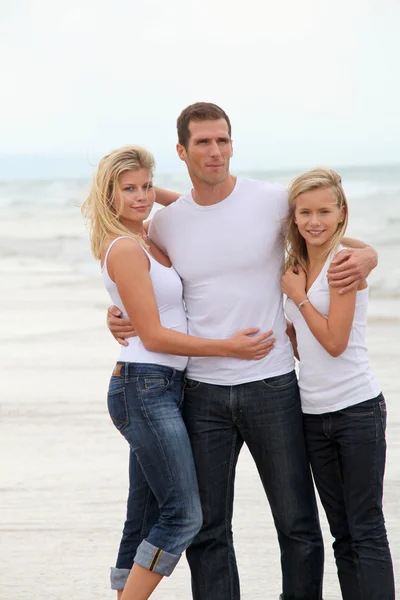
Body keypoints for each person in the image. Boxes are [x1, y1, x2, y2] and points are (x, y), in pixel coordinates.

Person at [107, 103, 378, 600]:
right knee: (208, 533)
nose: (215, 151)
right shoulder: (166, 226)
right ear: (182, 151)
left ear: (232, 144)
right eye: (204, 142)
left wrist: (368, 254)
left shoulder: (273, 202)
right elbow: (147, 281)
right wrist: (119, 316)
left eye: (223, 140)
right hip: (201, 392)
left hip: (273, 385)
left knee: (297, 525)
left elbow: (327, 233)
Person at [81, 145, 276, 600]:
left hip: (163, 386)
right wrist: (226, 347)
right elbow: (153, 335)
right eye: (127, 189)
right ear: (108, 195)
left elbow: (193, 207)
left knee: (144, 513)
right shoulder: (127, 248)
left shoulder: (147, 236)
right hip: (143, 387)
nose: (141, 196)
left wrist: (147, 192)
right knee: (184, 515)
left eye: (147, 186)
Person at [281, 168, 395, 600]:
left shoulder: (344, 263)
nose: (315, 221)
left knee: (366, 529)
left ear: (341, 212)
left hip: (357, 411)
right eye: (305, 212)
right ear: (293, 216)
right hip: (313, 415)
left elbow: (333, 342)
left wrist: (299, 298)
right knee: (342, 533)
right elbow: (302, 346)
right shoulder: (294, 266)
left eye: (324, 211)